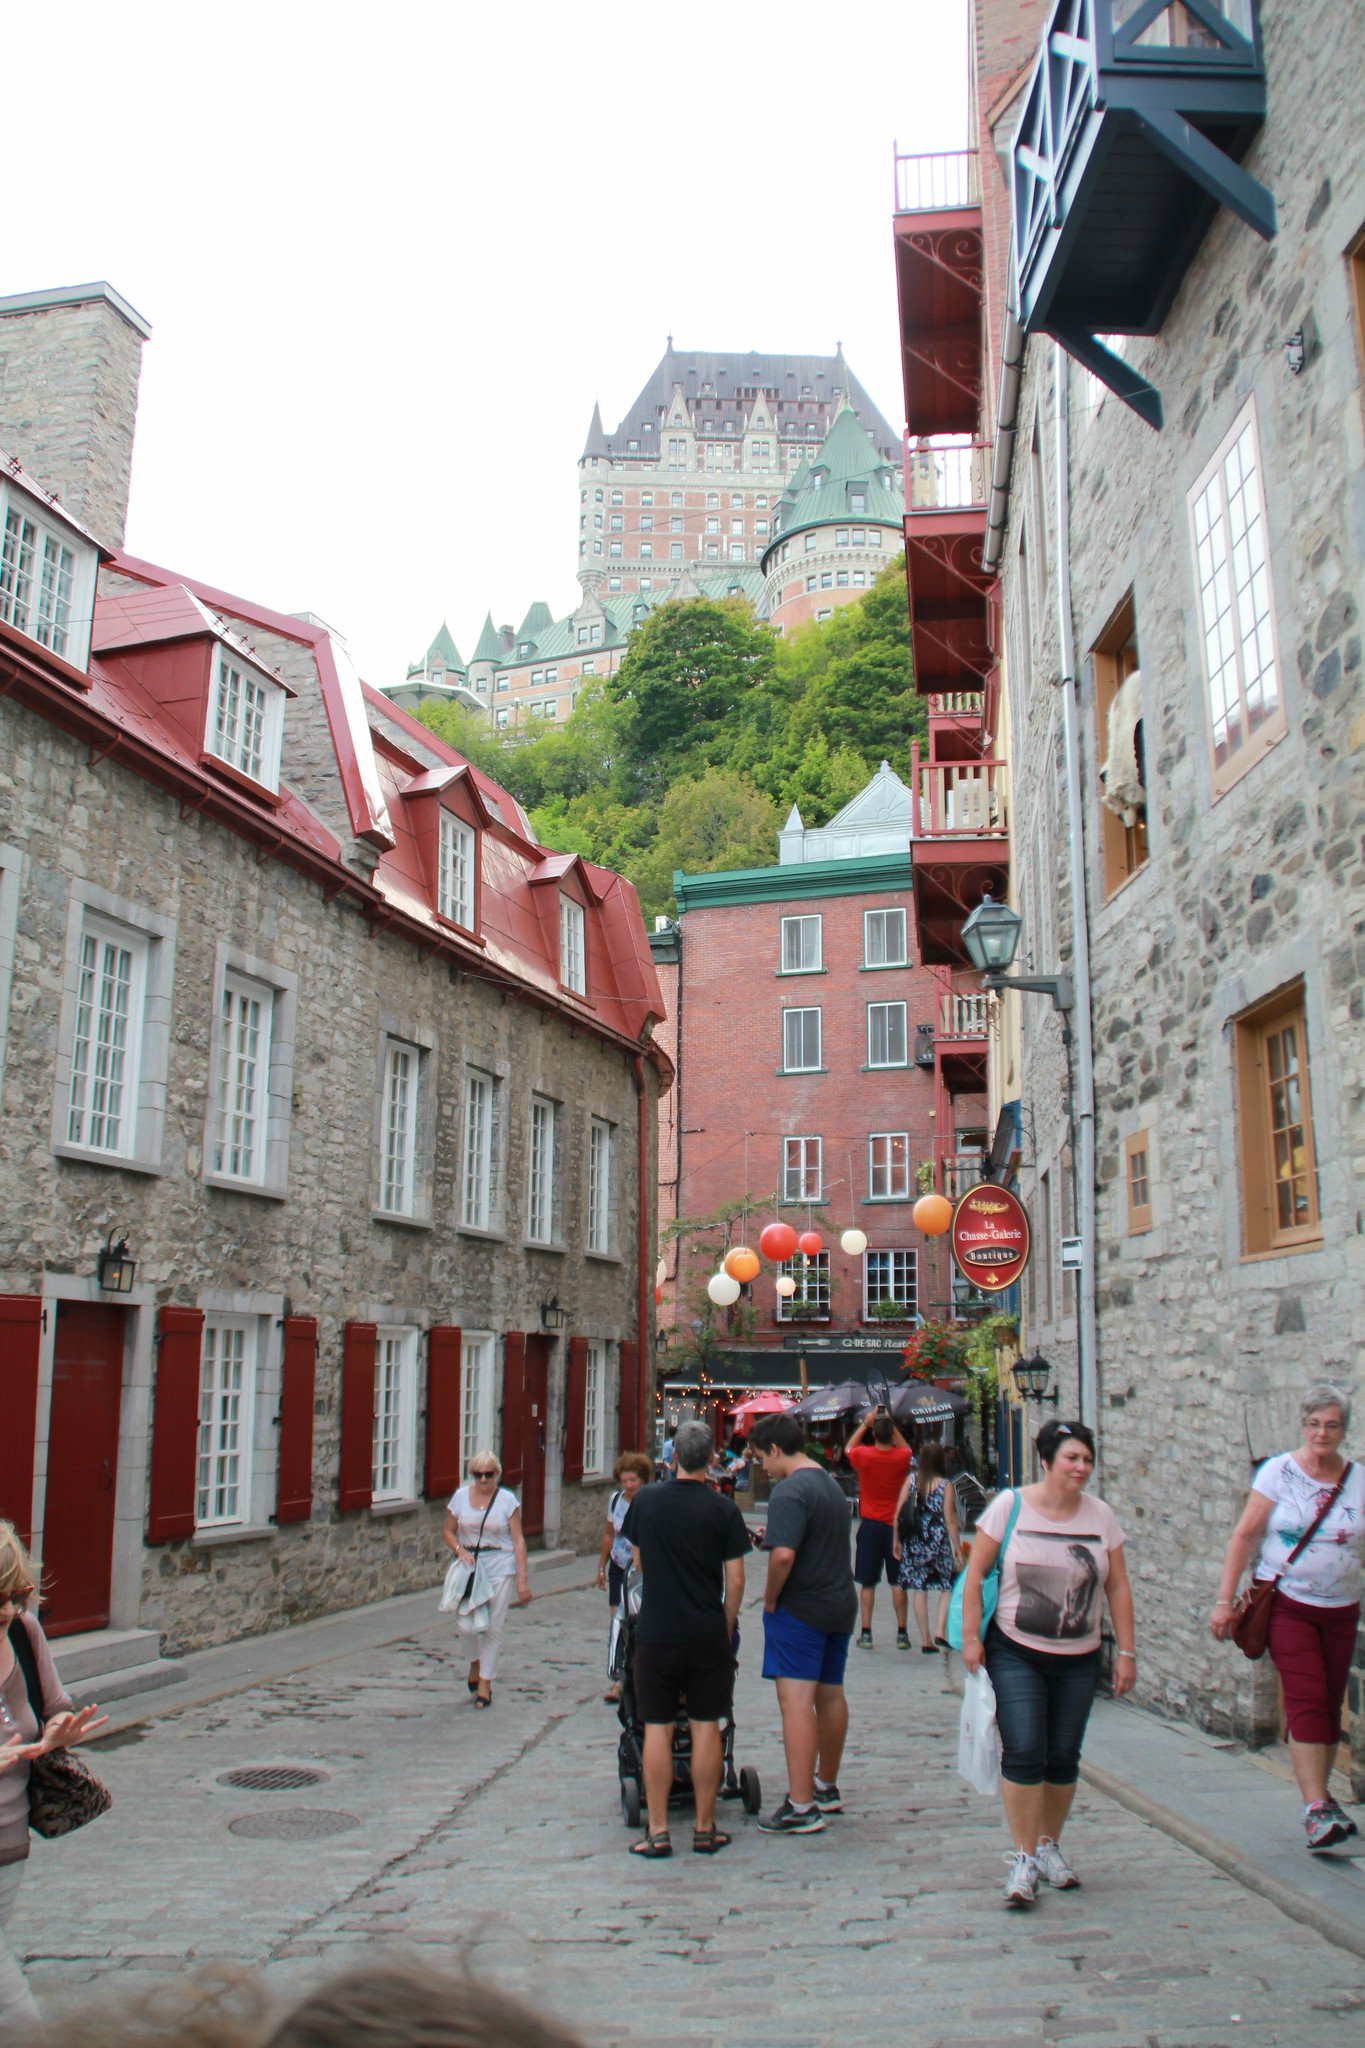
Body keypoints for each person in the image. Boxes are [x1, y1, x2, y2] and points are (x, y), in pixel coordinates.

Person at [960, 1419, 1135, 1907]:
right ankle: (1021, 1856)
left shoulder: (1100, 1518)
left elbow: (1117, 1586)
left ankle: (1046, 1845)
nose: (1081, 1468)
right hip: (1016, 1650)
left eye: (1087, 1459)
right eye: (1071, 1459)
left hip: (1079, 1656)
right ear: (1046, 1462)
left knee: (1062, 1755)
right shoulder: (1010, 1507)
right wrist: (972, 1639)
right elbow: (975, 1575)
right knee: (1026, 1748)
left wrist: (1125, 1650)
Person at [1209, 1383, 1363, 1850]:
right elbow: (1245, 1536)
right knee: (1307, 1697)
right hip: (1290, 1604)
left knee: (1330, 1698)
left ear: (1343, 1429)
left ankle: (1324, 1803)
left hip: (1342, 1609)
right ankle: (1315, 1805)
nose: (1322, 1433)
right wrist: (1223, 1600)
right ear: (1303, 1425)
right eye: (1314, 1424)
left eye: (1332, 1425)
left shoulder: (1358, 1478)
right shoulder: (1278, 1472)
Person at [620, 1419, 749, 1857]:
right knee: (706, 1725)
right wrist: (727, 1622)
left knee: (655, 1725)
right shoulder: (723, 1510)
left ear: (673, 1456)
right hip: (705, 1630)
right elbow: (736, 1577)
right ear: (711, 1458)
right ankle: (704, 1827)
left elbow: (636, 1563)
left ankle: (657, 1831)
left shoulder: (647, 1502)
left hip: (657, 1629)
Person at [1, 1522, 107, 2027]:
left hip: (9, 1846)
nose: (7, 1610)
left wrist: (62, 1730)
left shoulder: (24, 1632)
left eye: (15, 1594)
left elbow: (56, 1707)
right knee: (18, 2016)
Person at [748, 1412, 858, 1835]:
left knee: (795, 1702)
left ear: (775, 1449)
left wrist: (772, 1597)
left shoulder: (789, 1491)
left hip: (802, 1607)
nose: (762, 1466)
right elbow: (800, 1542)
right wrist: (770, 1538)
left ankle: (801, 1805)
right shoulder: (828, 1483)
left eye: (761, 1458)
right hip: (838, 1601)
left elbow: (785, 1556)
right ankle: (825, 1786)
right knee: (830, 1697)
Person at [442, 1452, 532, 1708]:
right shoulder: (460, 1497)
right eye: (478, 1474)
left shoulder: (507, 1501)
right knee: (465, 1625)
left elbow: (518, 1540)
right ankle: (475, 1663)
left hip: (500, 1565)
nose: (483, 1479)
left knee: (492, 1626)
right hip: (470, 1566)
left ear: (497, 1474)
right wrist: (459, 1550)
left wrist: (522, 1579)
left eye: (488, 1474)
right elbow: (447, 1530)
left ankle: (485, 1683)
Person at [844, 1405, 914, 1649]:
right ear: (892, 1434)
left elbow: (848, 1448)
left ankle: (866, 1632)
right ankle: (902, 1632)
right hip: (895, 1525)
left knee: (867, 1581)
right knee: (897, 1581)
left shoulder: (865, 1456)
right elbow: (908, 1450)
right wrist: (892, 1426)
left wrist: (866, 1422)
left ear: (874, 1434)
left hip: (871, 1524)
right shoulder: (901, 1457)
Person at [893, 1439, 963, 1651]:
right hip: (938, 1541)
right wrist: (957, 1548)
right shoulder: (945, 1485)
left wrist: (895, 1540)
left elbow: (898, 1513)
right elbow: (949, 1518)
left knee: (919, 1588)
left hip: (915, 1540)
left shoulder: (912, 1481)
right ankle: (940, 1631)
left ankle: (925, 1640)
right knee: (948, 1585)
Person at [595, 1451, 651, 1703]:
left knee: (640, 1623)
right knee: (618, 1624)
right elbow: (609, 1534)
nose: (628, 1486)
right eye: (625, 1481)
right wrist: (601, 1567)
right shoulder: (616, 1500)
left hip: (642, 1572)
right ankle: (618, 1680)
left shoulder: (651, 1501)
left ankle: (641, 1677)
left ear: (643, 1480)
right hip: (619, 1568)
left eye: (633, 1481)